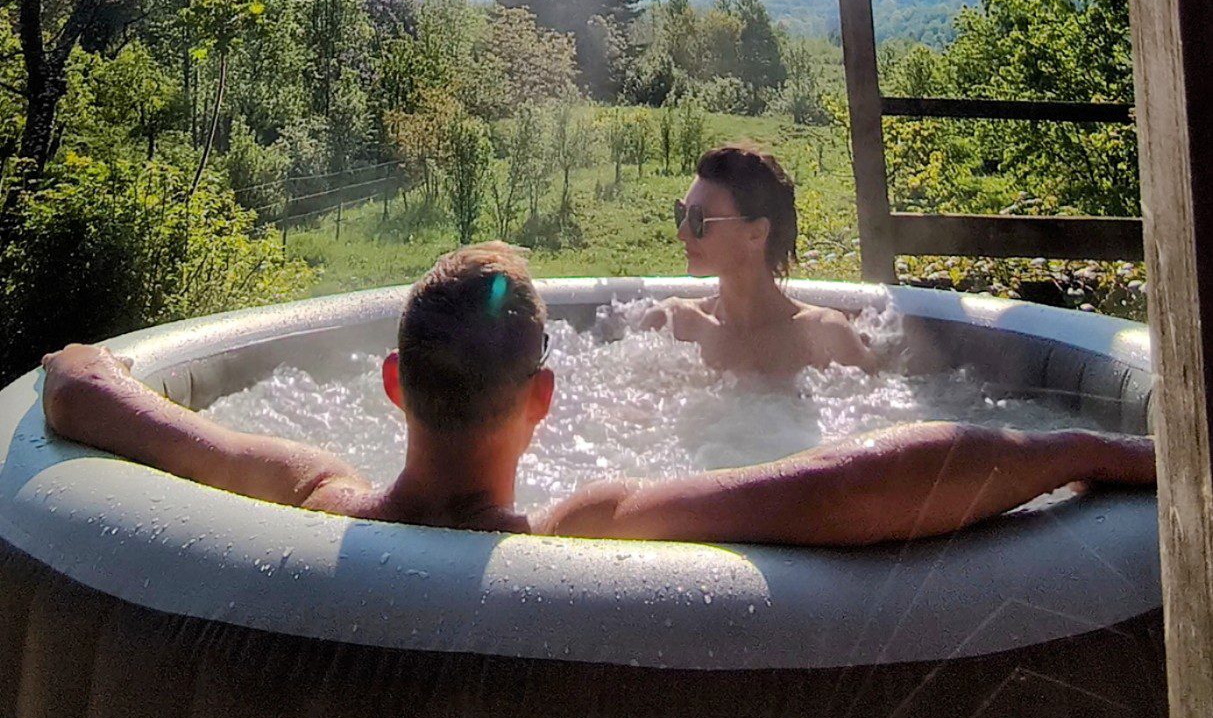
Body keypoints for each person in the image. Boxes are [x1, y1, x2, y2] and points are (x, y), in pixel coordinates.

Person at [41, 242, 1154, 547]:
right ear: (544, 400)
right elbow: (857, 479)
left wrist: (89, 351)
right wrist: (1083, 450)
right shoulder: (579, 534)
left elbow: (82, 389)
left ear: (390, 384)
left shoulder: (309, 492)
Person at [643, 141, 876, 377]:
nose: (682, 233)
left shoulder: (824, 336)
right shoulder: (671, 326)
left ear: (756, 233)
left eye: (698, 219)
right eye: (681, 214)